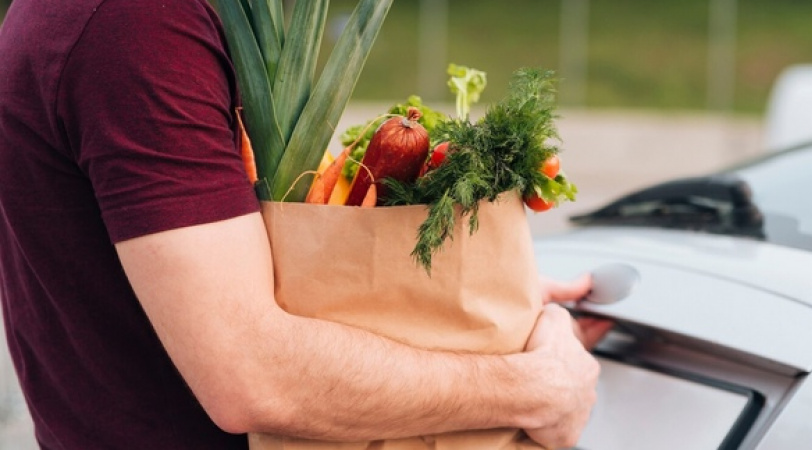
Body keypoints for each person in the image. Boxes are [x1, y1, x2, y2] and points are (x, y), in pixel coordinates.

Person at [0, 0, 612, 449]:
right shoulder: (137, 26)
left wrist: (476, 310)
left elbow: (244, 270)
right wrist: (535, 387)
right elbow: (252, 375)